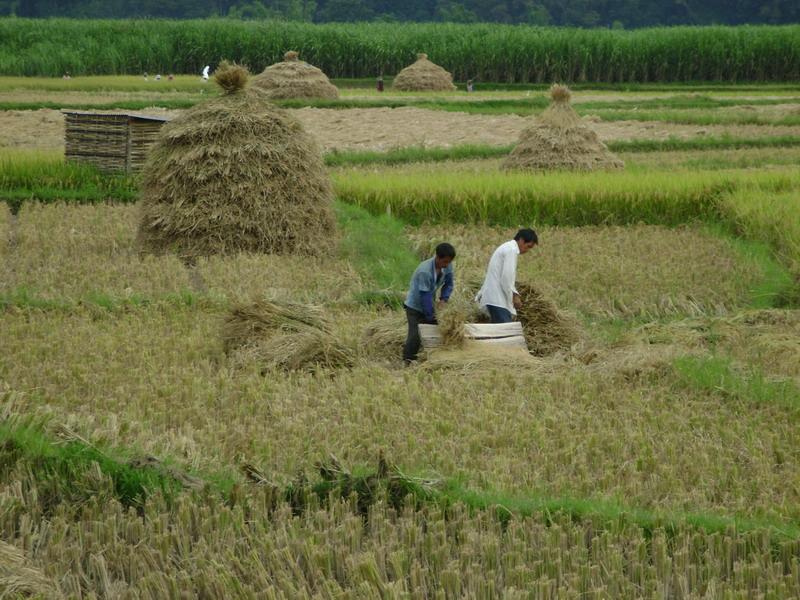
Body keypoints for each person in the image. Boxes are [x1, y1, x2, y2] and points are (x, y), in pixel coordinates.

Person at [403, 243, 456, 363]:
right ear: (437, 257)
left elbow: (449, 284)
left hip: (429, 302)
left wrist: (444, 299)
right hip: (415, 306)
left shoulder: (447, 266)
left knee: (432, 332)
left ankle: (432, 357)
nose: (446, 265)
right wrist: (431, 316)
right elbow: (425, 296)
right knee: (415, 335)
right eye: (445, 262)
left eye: (449, 262)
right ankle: (408, 360)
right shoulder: (425, 271)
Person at [475, 229, 538, 323]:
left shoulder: (507, 247)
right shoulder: (511, 250)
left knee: (498, 332)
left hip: (494, 298)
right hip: (497, 300)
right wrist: (514, 296)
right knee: (506, 332)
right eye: (528, 246)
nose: (527, 250)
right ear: (521, 240)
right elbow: (506, 278)